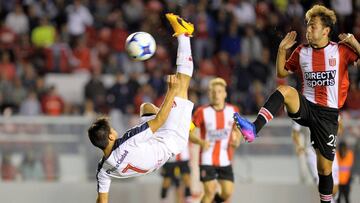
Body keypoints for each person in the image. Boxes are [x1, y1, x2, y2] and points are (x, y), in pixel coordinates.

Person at [233, 5, 360, 203]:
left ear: (326, 31)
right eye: (308, 26)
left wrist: (354, 42)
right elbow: (282, 73)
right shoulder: (302, 52)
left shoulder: (341, 50)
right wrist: (281, 50)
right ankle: (253, 128)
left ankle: (325, 200)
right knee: (285, 90)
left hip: (328, 115)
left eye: (313, 27)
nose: (308, 30)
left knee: (324, 170)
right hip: (306, 107)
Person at [88, 13, 195, 203]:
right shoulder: (127, 141)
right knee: (181, 84)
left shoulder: (103, 169)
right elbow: (159, 121)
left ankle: (181, 117)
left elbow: (102, 199)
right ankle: (184, 34)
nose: (115, 130)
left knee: (146, 106)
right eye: (113, 130)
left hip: (153, 145)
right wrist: (171, 91)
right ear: (111, 136)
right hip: (170, 140)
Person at [191, 77, 242, 203]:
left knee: (227, 192)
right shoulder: (201, 112)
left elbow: (238, 129)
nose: (216, 95)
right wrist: (201, 142)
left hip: (225, 158)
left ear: (225, 94)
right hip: (207, 158)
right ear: (209, 94)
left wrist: (237, 140)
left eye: (219, 91)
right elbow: (189, 131)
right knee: (210, 190)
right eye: (213, 92)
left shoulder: (233, 111)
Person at [138, 103, 193, 203]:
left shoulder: (184, 117)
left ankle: (188, 200)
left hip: (183, 156)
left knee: (187, 179)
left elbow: (191, 129)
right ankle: (164, 200)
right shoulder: (163, 116)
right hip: (169, 157)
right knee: (167, 181)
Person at [292, 121, 340, 203]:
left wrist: (339, 126)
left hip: (329, 150)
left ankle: (333, 199)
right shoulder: (302, 110)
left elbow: (339, 129)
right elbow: (295, 132)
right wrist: (299, 146)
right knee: (321, 183)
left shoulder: (330, 109)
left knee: (334, 188)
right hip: (312, 153)